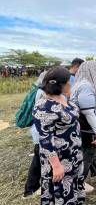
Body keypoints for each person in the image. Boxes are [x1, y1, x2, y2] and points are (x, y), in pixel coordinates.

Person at [33, 67, 85, 204]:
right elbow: (45, 140)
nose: (71, 84)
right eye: (69, 82)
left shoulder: (63, 96)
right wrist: (56, 166)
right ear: (60, 84)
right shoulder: (43, 107)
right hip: (59, 158)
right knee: (62, 190)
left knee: (73, 185)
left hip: (73, 153)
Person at [71, 61, 96, 194]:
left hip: (85, 126)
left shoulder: (80, 83)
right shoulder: (86, 86)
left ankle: (95, 172)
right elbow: (88, 112)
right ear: (92, 71)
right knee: (87, 153)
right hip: (88, 128)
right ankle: (79, 183)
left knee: (92, 151)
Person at [22, 71, 47, 199]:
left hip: (38, 131)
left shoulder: (38, 90)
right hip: (40, 132)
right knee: (37, 161)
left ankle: (32, 188)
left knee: (38, 160)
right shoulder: (43, 93)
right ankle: (29, 190)